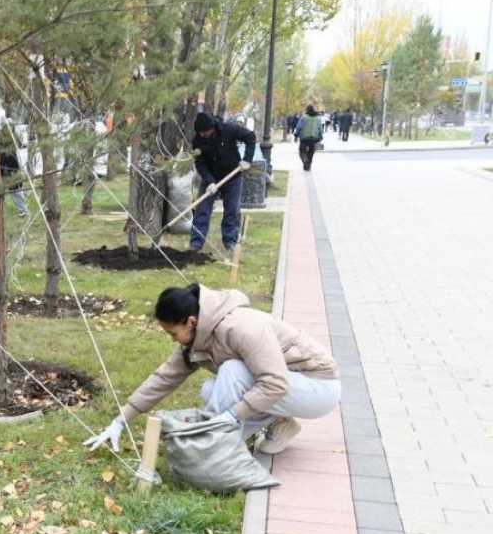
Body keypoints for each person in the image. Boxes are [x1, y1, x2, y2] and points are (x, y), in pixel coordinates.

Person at [86, 283, 340, 458]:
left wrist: (231, 415)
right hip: (289, 388)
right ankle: (280, 422)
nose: (173, 340)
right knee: (211, 389)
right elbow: (164, 378)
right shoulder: (198, 337)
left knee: (231, 373)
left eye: (173, 333)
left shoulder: (241, 327)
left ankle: (212, 448)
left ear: (191, 321)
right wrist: (120, 421)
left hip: (317, 387)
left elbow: (275, 384)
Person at [190, 112, 255, 254]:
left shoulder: (229, 129)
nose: (202, 135)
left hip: (232, 176)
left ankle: (230, 241)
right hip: (211, 178)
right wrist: (209, 181)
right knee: (202, 210)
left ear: (211, 128)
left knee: (232, 210)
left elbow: (250, 137)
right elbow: (200, 163)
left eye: (204, 132)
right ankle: (196, 242)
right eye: (199, 132)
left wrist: (247, 159)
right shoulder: (197, 140)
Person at [0, 123, 28, 219]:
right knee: (1, 190)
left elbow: (20, 145)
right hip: (3, 167)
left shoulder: (13, 137)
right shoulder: (0, 138)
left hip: (12, 167)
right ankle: (0, 211)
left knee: (16, 190)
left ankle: (23, 210)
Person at [294, 105, 324, 172]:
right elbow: (320, 129)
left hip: (304, 138)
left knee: (302, 151)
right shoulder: (318, 118)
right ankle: (308, 165)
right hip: (314, 138)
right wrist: (321, 137)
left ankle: (305, 160)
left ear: (307, 110)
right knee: (311, 152)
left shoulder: (304, 117)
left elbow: (299, 127)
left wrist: (296, 135)